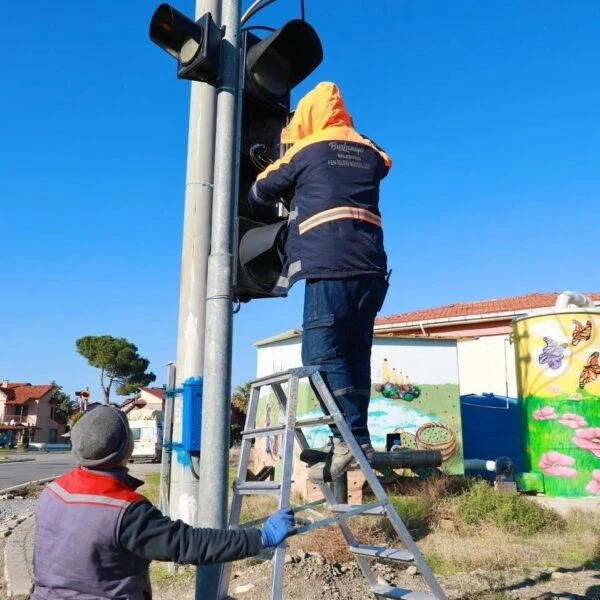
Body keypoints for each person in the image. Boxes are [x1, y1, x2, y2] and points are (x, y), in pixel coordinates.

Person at [249, 81, 392, 482]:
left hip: (330, 264)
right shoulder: (367, 152)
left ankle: (351, 438)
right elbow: (385, 159)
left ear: (309, 117)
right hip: (371, 271)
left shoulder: (307, 150)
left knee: (321, 355)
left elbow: (261, 190)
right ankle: (348, 437)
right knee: (353, 355)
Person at [32, 405, 294, 599]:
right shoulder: (125, 509)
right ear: (127, 448)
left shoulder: (52, 492)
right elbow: (189, 544)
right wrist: (260, 537)